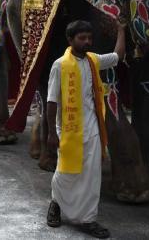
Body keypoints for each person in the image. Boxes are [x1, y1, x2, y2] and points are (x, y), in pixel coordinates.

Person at [46, 19, 126, 239]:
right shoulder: (60, 65)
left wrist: (121, 30)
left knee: (92, 176)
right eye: (82, 38)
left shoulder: (93, 60)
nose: (87, 41)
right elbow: (51, 101)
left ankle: (88, 219)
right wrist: (52, 133)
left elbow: (118, 56)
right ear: (70, 40)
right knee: (65, 173)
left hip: (92, 128)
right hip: (68, 129)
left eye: (89, 38)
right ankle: (56, 204)